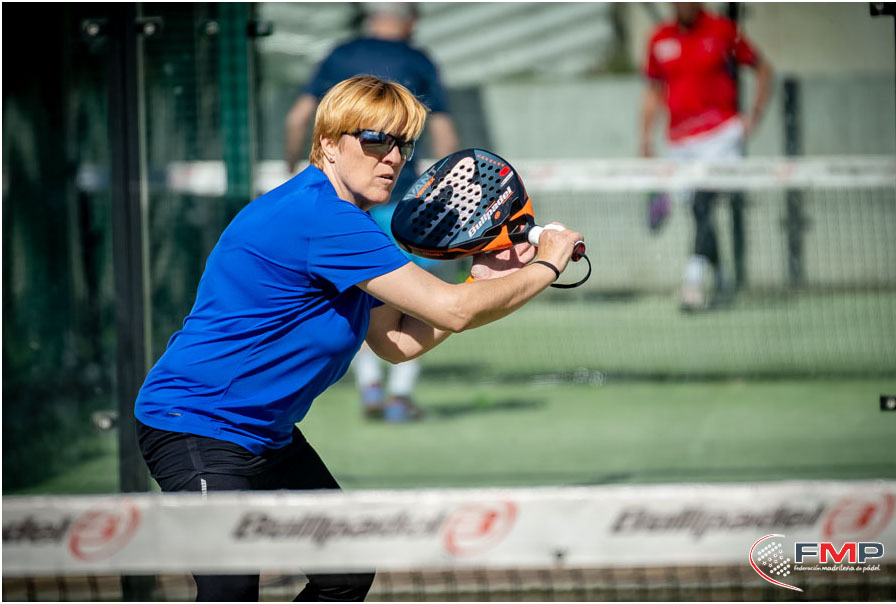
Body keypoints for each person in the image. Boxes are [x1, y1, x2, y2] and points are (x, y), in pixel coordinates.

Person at [134, 75, 582, 602]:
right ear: (328, 143)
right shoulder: (322, 218)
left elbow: (396, 342)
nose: (392, 157)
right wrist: (547, 264)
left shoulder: (351, 224)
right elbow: (452, 313)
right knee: (230, 588)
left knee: (344, 572)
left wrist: (480, 280)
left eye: (402, 145)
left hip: (266, 436)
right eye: (375, 140)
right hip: (195, 425)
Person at [285, 2, 459, 421]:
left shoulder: (339, 55)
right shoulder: (418, 60)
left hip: (348, 201)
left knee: (365, 296)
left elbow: (297, 118)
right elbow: (443, 131)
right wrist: (449, 187)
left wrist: (292, 170)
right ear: (410, 20)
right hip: (403, 201)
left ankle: (371, 389)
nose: (392, 152)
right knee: (415, 297)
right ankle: (399, 396)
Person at [640, 2, 772, 311]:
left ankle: (692, 283)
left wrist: (753, 116)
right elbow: (653, 92)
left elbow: (763, 69)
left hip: (720, 138)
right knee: (700, 213)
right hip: (679, 143)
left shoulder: (723, 31)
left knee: (703, 204)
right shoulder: (659, 38)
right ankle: (722, 277)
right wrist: (645, 139)